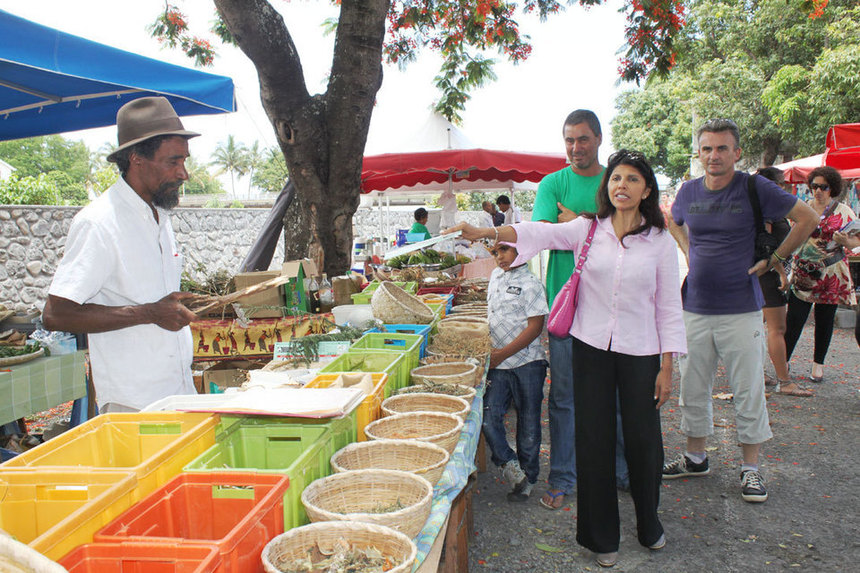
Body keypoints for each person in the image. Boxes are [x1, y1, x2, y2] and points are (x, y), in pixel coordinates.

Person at [446, 149, 685, 567]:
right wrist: (485, 233)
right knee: (592, 440)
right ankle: (601, 536)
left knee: (644, 442)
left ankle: (649, 521)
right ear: (606, 187)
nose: (621, 186)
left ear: (646, 189)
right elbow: (538, 234)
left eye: (631, 179)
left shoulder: (660, 241)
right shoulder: (587, 229)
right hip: (589, 347)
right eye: (615, 179)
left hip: (641, 352)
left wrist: (667, 365)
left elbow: (668, 305)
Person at [663, 119, 818, 503]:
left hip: (742, 307)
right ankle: (696, 458)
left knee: (748, 388)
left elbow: (808, 219)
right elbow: (672, 219)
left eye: (722, 148)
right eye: (707, 149)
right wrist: (688, 249)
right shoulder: (687, 190)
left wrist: (776, 258)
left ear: (736, 152)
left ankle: (751, 469)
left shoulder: (755, 186)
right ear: (698, 154)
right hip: (695, 306)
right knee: (693, 386)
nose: (714, 156)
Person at [42, 97, 201, 412]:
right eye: (173, 161)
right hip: (134, 404)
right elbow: (55, 314)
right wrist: (150, 313)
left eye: (184, 160)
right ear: (136, 159)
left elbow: (153, 298)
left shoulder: (158, 216)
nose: (184, 174)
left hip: (177, 392)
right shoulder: (99, 223)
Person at [531, 109, 628, 510]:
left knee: (619, 396)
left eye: (583, 139)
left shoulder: (618, 180)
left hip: (614, 309)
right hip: (566, 310)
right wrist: (595, 222)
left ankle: (624, 471)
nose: (575, 148)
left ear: (599, 138)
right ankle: (563, 476)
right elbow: (543, 234)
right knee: (564, 399)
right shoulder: (552, 183)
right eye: (569, 140)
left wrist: (577, 221)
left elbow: (631, 233)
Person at [483, 241, 548, 503]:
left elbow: (535, 327)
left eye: (506, 250)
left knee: (529, 423)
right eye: (496, 252)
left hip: (527, 363)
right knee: (488, 416)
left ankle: (529, 479)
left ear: (523, 250)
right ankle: (510, 465)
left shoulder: (532, 284)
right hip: (499, 364)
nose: (500, 257)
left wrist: (501, 354)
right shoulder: (495, 276)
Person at [783, 166, 857, 383]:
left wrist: (847, 241)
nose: (818, 191)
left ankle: (818, 365)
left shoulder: (844, 211)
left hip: (832, 273)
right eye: (814, 186)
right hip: (804, 271)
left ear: (831, 188)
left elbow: (856, 239)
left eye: (823, 187)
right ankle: (784, 361)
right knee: (794, 318)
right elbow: (791, 237)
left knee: (825, 321)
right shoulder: (803, 208)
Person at [754, 167, 812, 397]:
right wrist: (780, 272)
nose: (784, 189)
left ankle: (759, 373)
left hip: (761, 275)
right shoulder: (767, 210)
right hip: (767, 276)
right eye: (781, 184)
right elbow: (765, 247)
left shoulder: (759, 208)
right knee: (777, 329)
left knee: (758, 329)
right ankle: (784, 380)